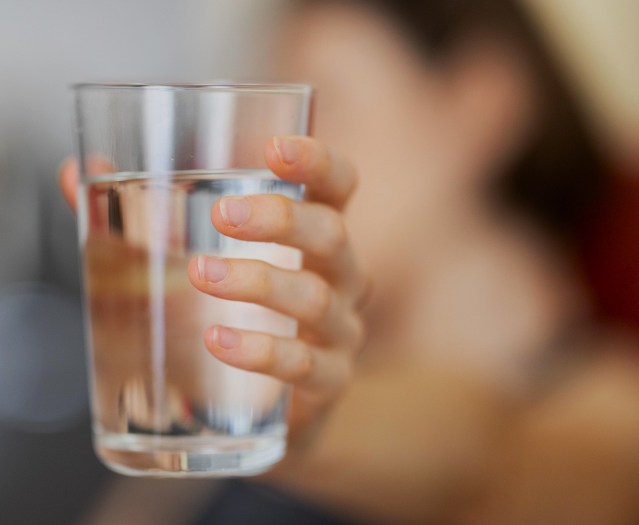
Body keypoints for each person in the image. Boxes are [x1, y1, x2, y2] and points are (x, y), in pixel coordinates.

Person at [61, 0, 639, 523]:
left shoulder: (605, 411)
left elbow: (483, 459)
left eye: (324, 104)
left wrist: (296, 428)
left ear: (482, 102)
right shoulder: (260, 379)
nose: (262, 158)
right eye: (258, 119)